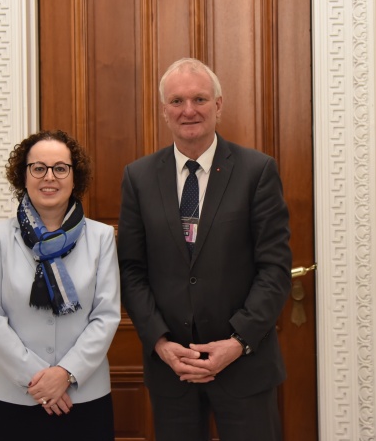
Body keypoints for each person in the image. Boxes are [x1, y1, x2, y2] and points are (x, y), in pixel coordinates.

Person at [117, 58, 292, 441]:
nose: (189, 110)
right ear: (164, 110)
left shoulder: (257, 171)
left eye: (199, 99)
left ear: (218, 104)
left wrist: (237, 342)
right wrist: (161, 342)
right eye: (177, 101)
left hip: (244, 365)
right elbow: (131, 269)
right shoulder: (138, 177)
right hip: (172, 369)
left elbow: (275, 269)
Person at [0, 130, 120, 441]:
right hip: (14, 397)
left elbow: (106, 316)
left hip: (83, 396)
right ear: (23, 175)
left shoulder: (101, 238)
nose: (49, 177)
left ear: (74, 177)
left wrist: (65, 374)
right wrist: (38, 379)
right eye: (38, 168)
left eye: (60, 168)